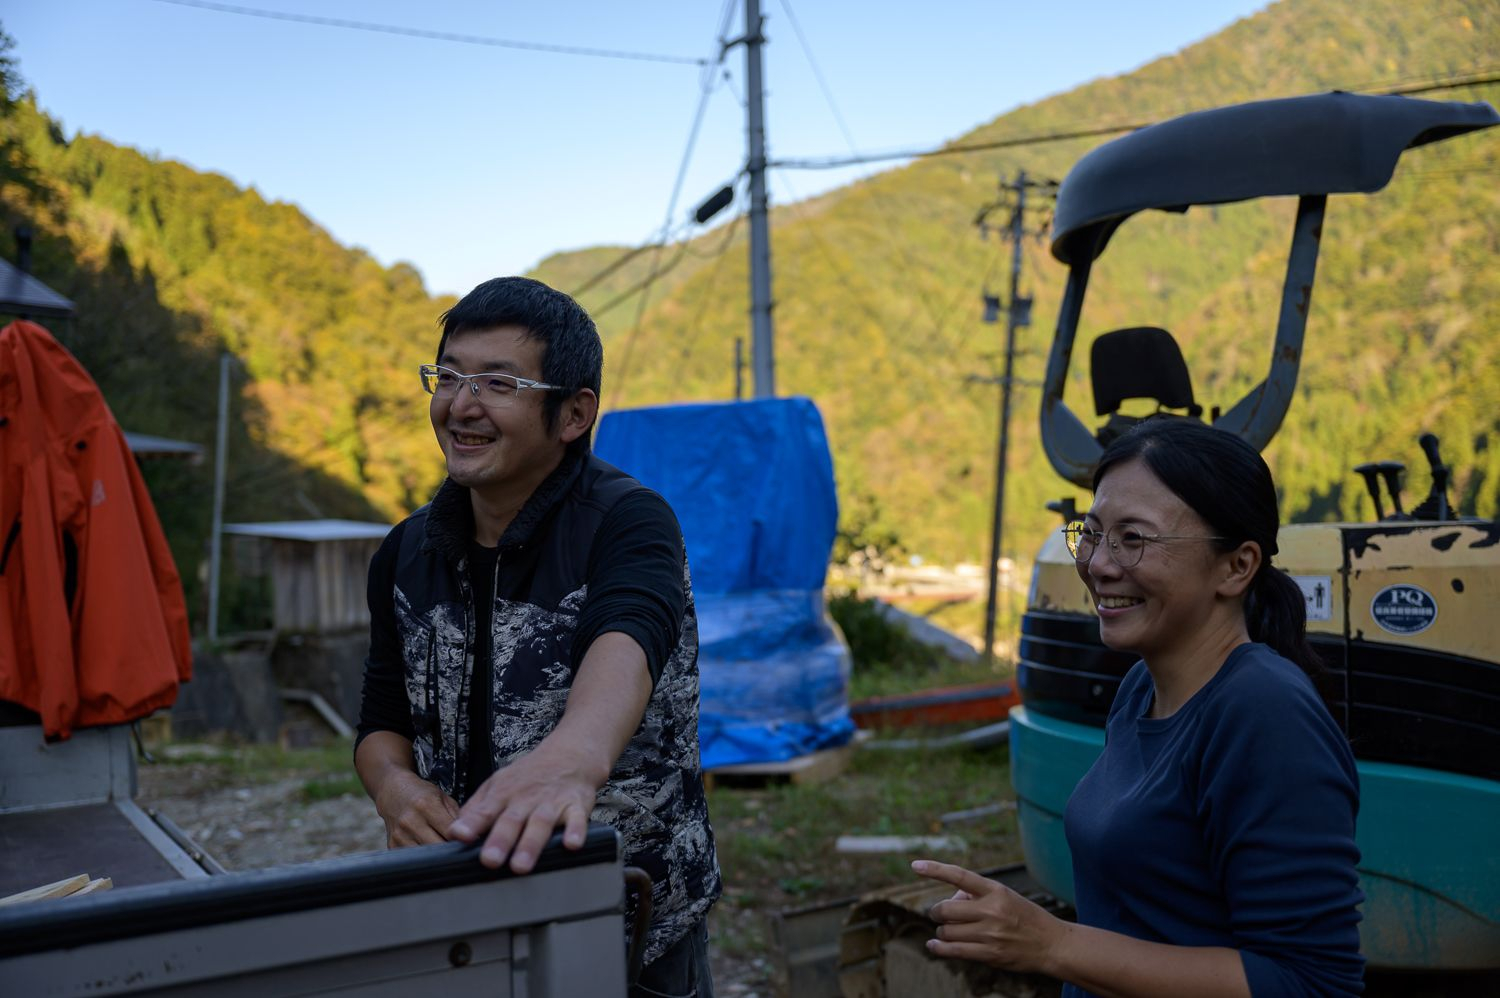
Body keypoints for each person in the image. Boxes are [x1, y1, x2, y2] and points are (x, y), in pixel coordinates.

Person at [356, 276, 720, 996]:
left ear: (573, 414)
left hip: (628, 922)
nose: (462, 405)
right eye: (450, 375)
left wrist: (575, 758)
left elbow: (630, 637)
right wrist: (394, 789)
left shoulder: (627, 522)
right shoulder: (406, 552)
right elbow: (381, 719)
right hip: (464, 917)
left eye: (499, 383)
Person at [915, 417, 1364, 996]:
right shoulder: (1139, 690)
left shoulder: (1264, 711)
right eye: (1094, 533)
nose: (1099, 564)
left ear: (1237, 566)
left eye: (1134, 538)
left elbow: (1310, 983)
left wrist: (1052, 944)